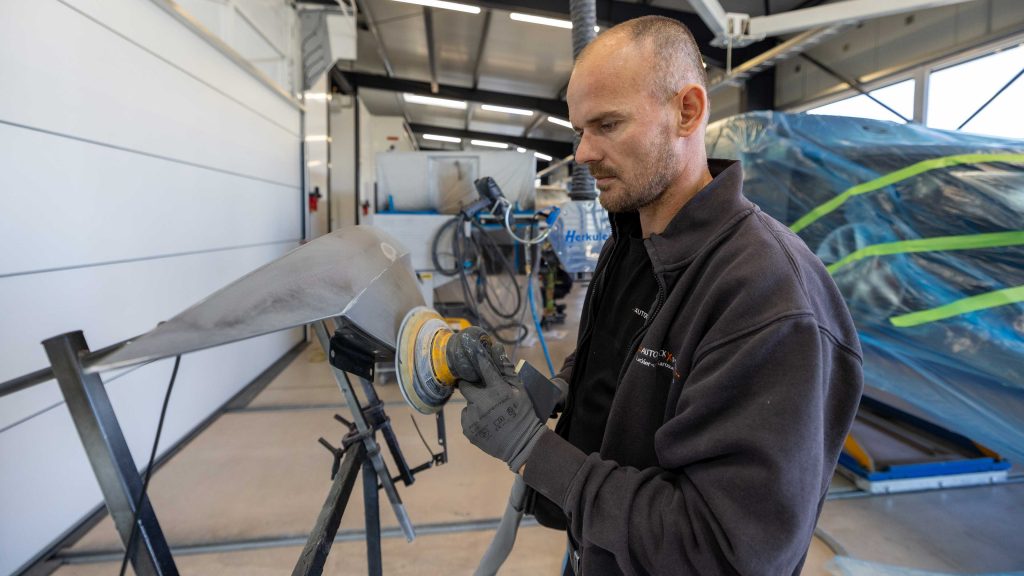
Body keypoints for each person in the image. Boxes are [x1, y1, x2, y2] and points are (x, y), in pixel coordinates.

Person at [456, 15, 864, 576]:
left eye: (607, 125)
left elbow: (724, 551)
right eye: (579, 130)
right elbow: (618, 359)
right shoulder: (631, 241)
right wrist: (553, 389)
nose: (583, 152)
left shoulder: (767, 299)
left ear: (687, 112)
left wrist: (533, 452)